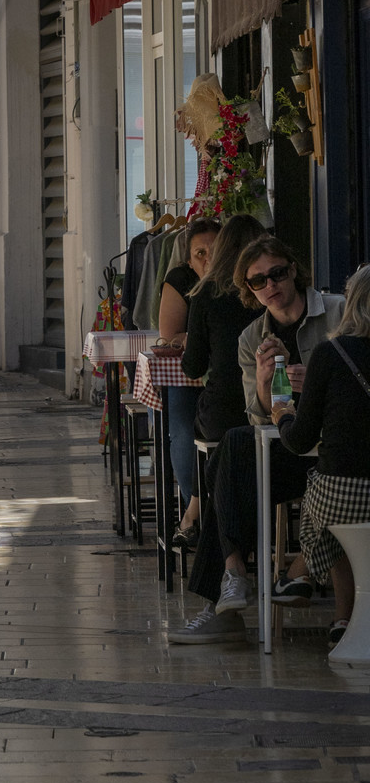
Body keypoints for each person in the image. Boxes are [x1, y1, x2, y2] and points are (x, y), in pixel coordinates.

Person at [171, 228, 344, 644]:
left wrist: (317, 381)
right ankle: (234, 575)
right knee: (233, 449)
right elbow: (259, 418)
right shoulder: (252, 338)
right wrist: (267, 383)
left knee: (221, 468)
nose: (271, 286)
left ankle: (224, 603)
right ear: (247, 288)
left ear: (294, 272)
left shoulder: (338, 313)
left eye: (278, 274)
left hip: (342, 450)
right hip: (292, 446)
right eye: (258, 281)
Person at [276, 265, 370, 646]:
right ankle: (343, 618)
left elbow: (299, 441)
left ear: (352, 303)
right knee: (334, 512)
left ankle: (299, 574)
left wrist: (283, 417)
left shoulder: (330, 354)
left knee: (324, 507)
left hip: (342, 497)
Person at [156, 217, 215, 543]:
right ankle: (193, 499)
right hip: (188, 371)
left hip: (226, 375)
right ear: (188, 259)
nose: (207, 259)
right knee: (180, 423)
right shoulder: (181, 279)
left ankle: (196, 511)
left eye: (214, 251)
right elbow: (169, 334)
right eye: (200, 253)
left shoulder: (243, 279)